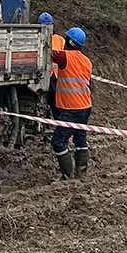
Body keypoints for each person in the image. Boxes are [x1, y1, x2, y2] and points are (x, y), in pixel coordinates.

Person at [50, 26, 93, 180]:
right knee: (80, 139)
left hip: (70, 108)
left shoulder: (65, 57)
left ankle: (66, 175)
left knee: (58, 141)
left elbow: (47, 52)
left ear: (69, 41)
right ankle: (81, 173)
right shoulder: (87, 61)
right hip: (85, 106)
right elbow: (90, 84)